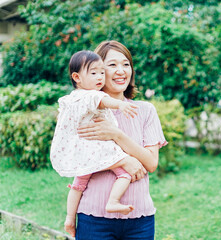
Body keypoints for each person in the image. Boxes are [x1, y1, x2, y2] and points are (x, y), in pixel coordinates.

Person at [74, 41, 167, 239]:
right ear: (97, 71)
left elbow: (150, 163)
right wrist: (126, 161)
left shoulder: (146, 111)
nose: (121, 71)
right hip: (94, 218)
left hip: (140, 220)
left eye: (126, 64)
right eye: (112, 65)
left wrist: (116, 134)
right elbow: (81, 161)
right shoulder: (85, 112)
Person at [50, 50, 141, 237]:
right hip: (97, 148)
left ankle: (69, 218)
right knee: (124, 172)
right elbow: (102, 101)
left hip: (83, 150)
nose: (100, 77)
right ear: (77, 77)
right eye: (93, 73)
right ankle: (113, 201)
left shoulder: (72, 97)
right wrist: (121, 105)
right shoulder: (88, 95)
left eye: (101, 72)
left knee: (78, 184)